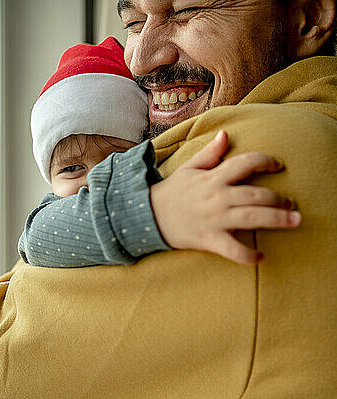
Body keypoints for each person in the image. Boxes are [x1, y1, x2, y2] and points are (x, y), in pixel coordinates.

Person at [0, 0, 337, 397]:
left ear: (309, 15)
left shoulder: (257, 158)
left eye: (188, 11)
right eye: (135, 21)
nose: (139, 60)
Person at [19, 37, 299, 267]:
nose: (93, 181)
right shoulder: (53, 211)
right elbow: (34, 239)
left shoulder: (160, 172)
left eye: (113, 159)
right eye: (71, 169)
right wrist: (155, 212)